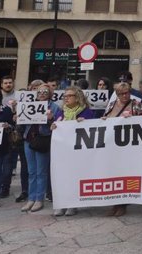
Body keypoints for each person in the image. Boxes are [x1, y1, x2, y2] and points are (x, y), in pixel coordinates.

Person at [102, 82, 142, 216]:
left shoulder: (136, 104)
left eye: (127, 92)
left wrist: (132, 119)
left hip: (129, 144)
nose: (125, 95)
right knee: (114, 173)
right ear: (117, 94)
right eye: (122, 93)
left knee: (126, 173)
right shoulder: (111, 105)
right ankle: (115, 203)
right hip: (114, 144)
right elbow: (107, 118)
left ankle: (123, 204)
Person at [52, 87, 95, 216]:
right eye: (64, 96)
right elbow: (57, 126)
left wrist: (85, 123)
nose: (66, 98)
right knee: (61, 177)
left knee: (75, 177)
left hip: (77, 151)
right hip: (62, 151)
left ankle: (73, 204)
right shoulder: (61, 112)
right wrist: (53, 125)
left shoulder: (86, 112)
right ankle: (62, 203)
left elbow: (92, 128)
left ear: (77, 98)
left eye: (69, 96)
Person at [19, 83, 60, 213]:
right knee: (31, 171)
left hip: (42, 140)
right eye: (40, 92)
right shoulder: (30, 105)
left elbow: (56, 125)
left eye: (45, 92)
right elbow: (22, 123)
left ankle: (39, 199)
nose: (42, 94)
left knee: (41, 171)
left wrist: (51, 119)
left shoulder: (54, 107)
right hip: (29, 139)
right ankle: (31, 198)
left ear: (50, 94)